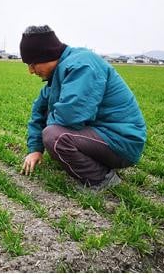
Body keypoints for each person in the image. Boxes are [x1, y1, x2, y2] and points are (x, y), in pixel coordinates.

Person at [19, 25, 147, 190]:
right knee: (52, 132)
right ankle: (96, 165)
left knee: (54, 137)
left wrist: (48, 131)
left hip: (122, 141)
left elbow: (70, 116)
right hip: (103, 136)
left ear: (47, 55)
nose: (31, 71)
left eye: (33, 64)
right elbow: (39, 111)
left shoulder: (82, 65)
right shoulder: (58, 74)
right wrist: (35, 149)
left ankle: (101, 179)